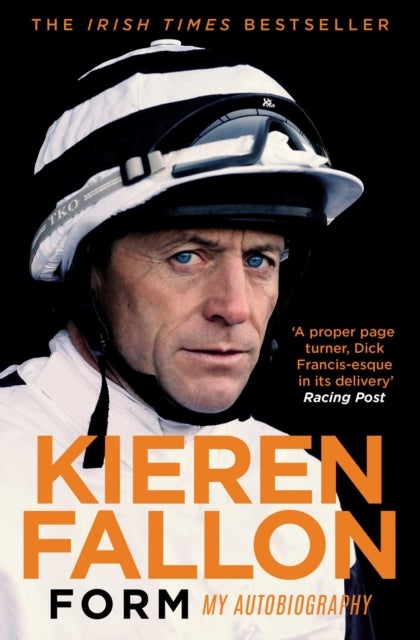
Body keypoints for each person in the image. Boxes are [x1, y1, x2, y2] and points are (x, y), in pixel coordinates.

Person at [0, 39, 375, 639]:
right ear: (86, 270)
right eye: (186, 255)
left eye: (259, 260)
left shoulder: (301, 487)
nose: (235, 307)